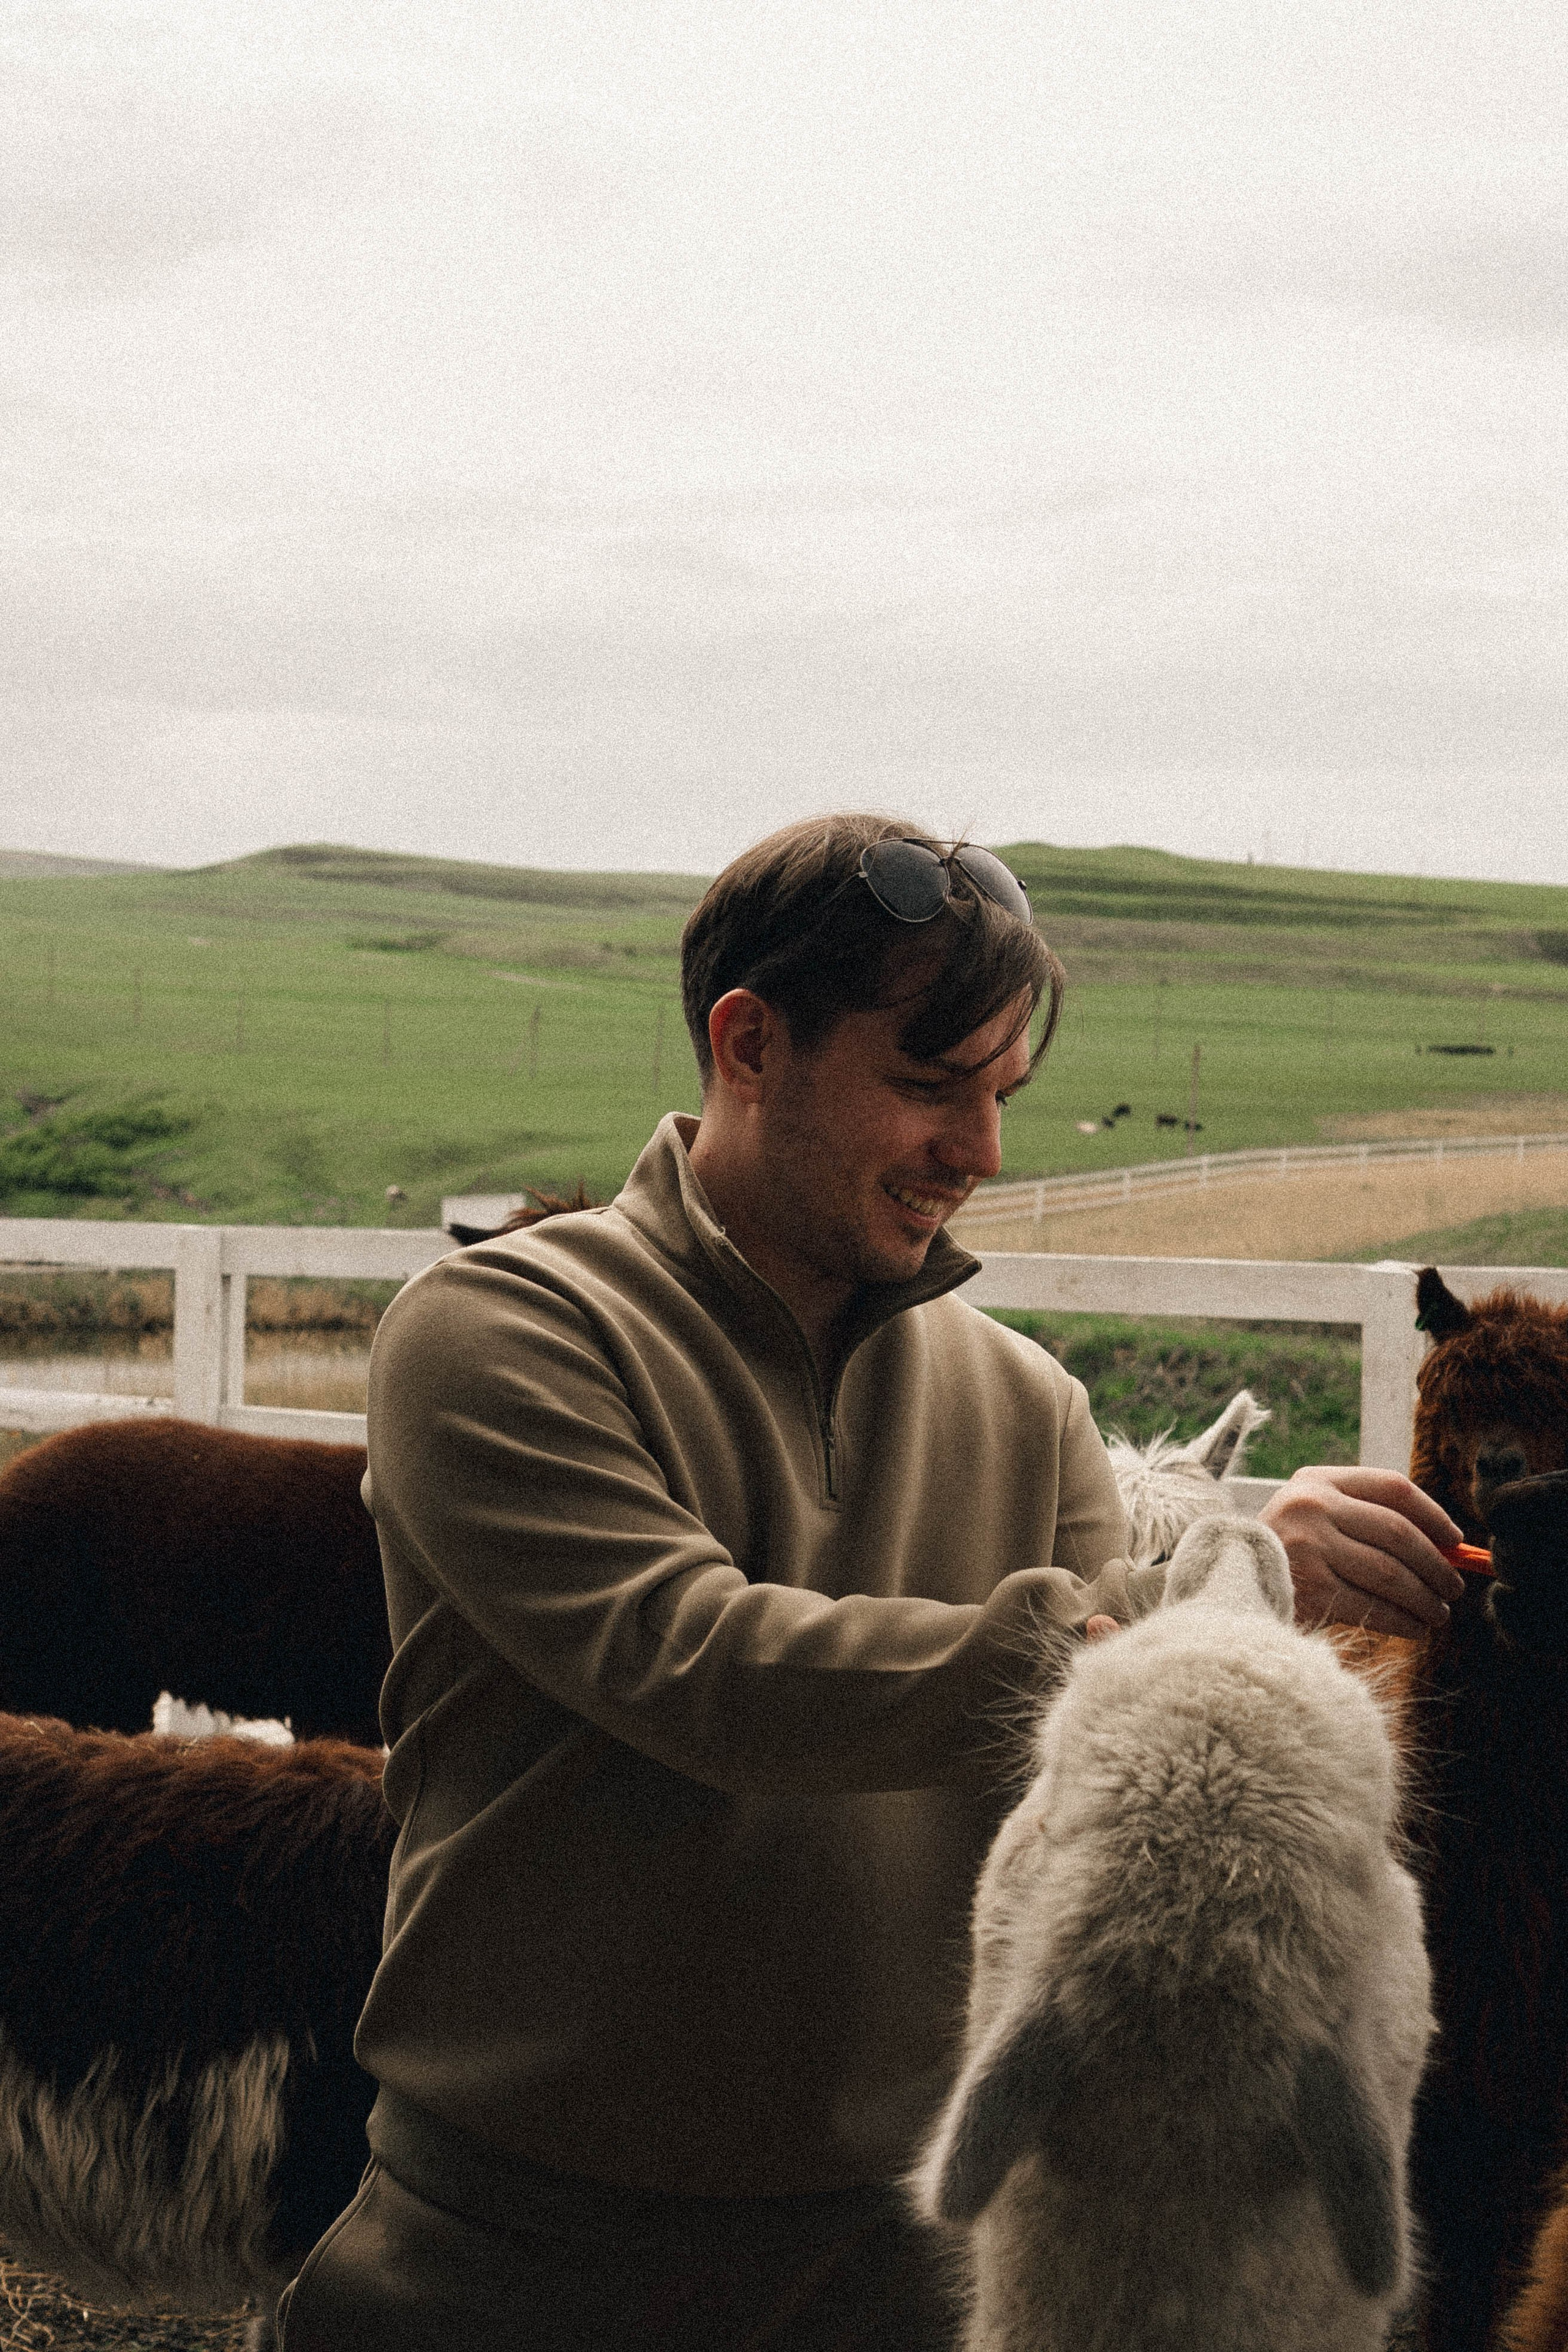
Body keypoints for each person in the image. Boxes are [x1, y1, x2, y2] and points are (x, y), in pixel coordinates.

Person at [276, 814, 1463, 2351]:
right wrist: (1193, 1607)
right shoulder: (496, 1332)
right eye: (926, 1083)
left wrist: (1237, 1605)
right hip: (519, 2257)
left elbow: (1106, 1783)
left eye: (998, 1097)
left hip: (909, 2263)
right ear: (749, 1043)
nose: (976, 1154)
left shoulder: (1027, 1404)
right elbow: (701, 1670)